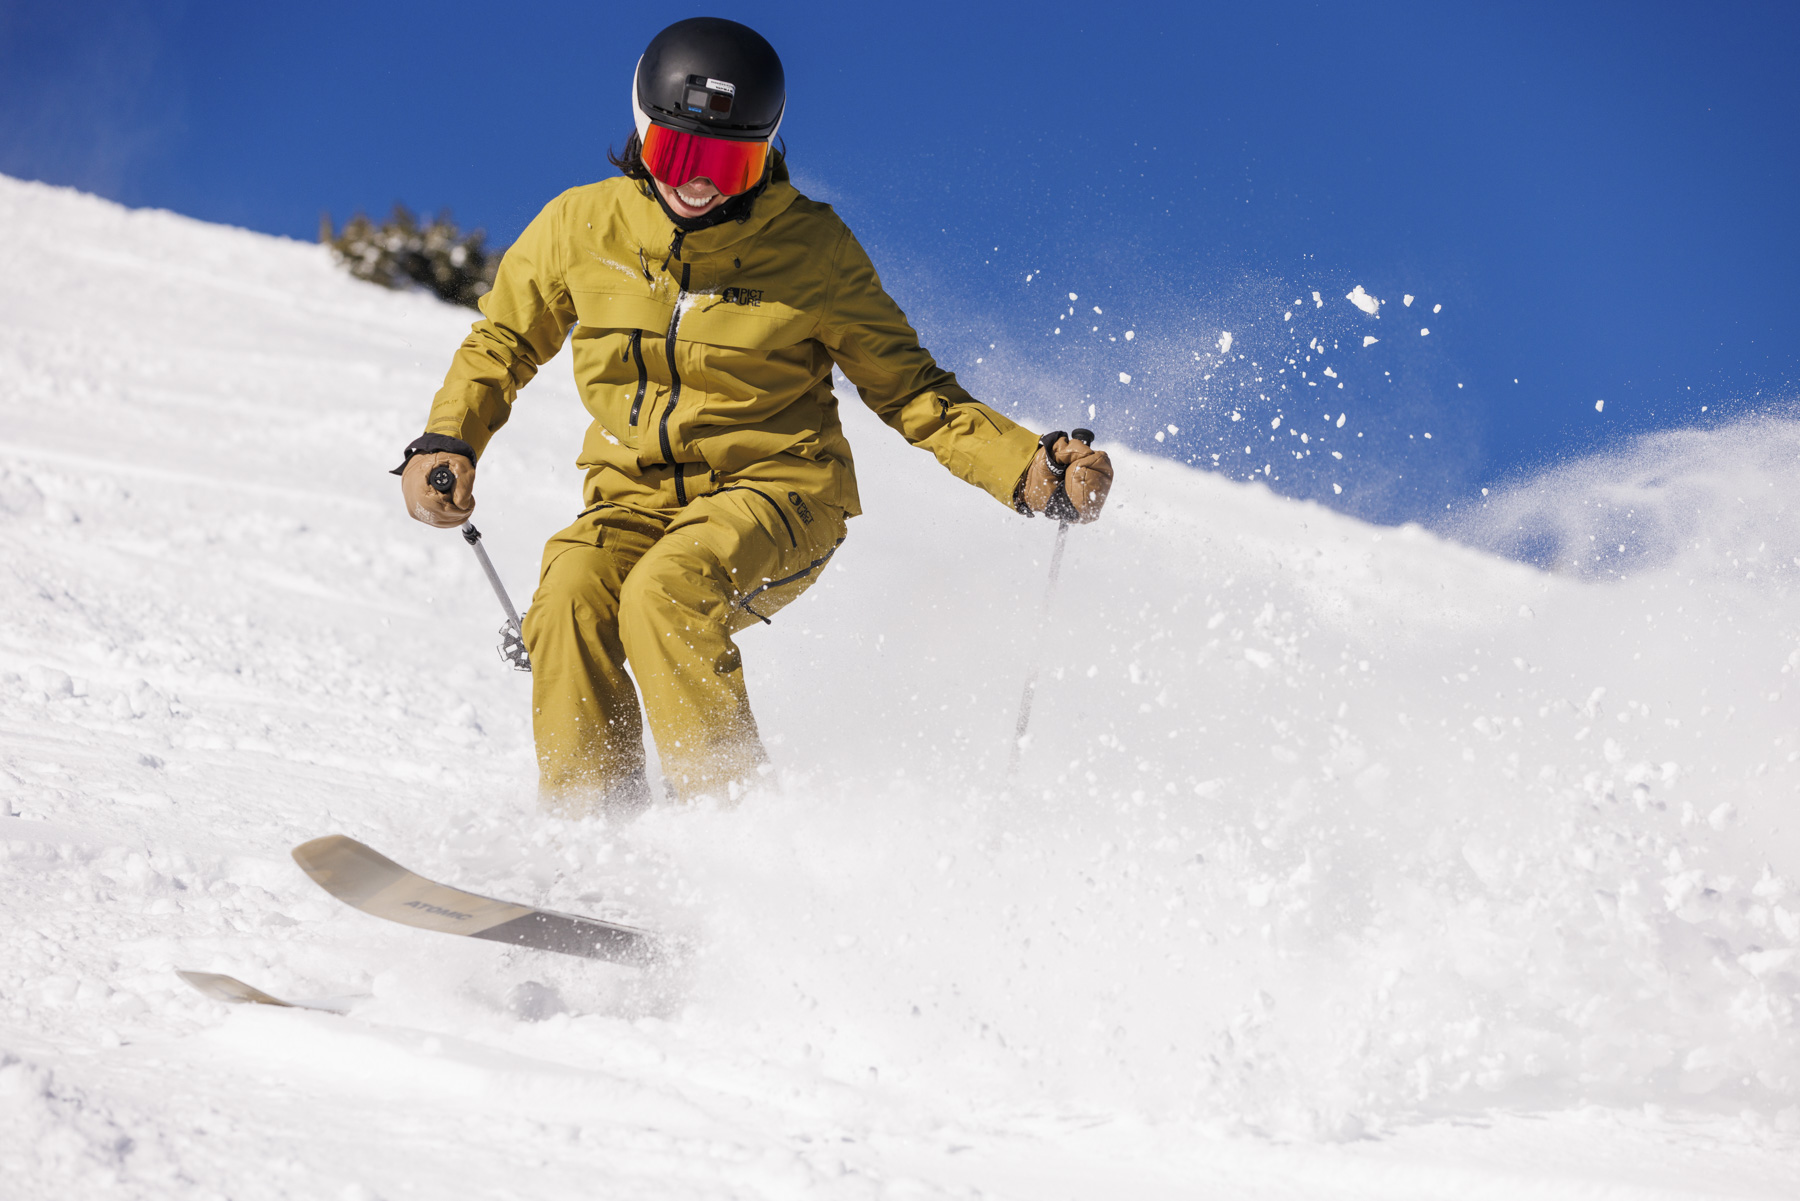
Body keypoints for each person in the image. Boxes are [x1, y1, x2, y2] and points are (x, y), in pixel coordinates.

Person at [393, 17, 1113, 815]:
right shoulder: (580, 227)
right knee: (567, 596)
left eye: (729, 162)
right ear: (642, 133)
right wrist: (447, 438)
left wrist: (1027, 467)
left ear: (766, 151)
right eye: (679, 155)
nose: (698, 182)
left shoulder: (814, 251)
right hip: (631, 497)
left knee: (667, 591)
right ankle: (595, 835)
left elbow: (911, 388)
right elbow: (502, 341)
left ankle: (732, 839)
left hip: (780, 491)